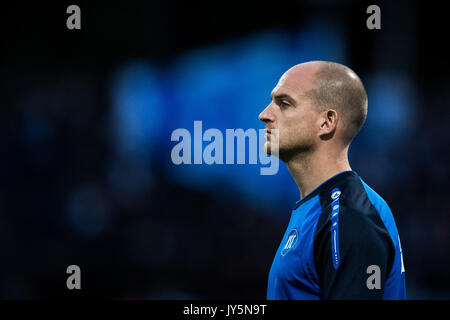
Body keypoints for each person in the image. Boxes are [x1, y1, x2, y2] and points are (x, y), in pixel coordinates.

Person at [258, 61, 406, 299]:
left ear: (326, 122)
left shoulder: (350, 216)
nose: (264, 114)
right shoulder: (321, 208)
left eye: (284, 104)